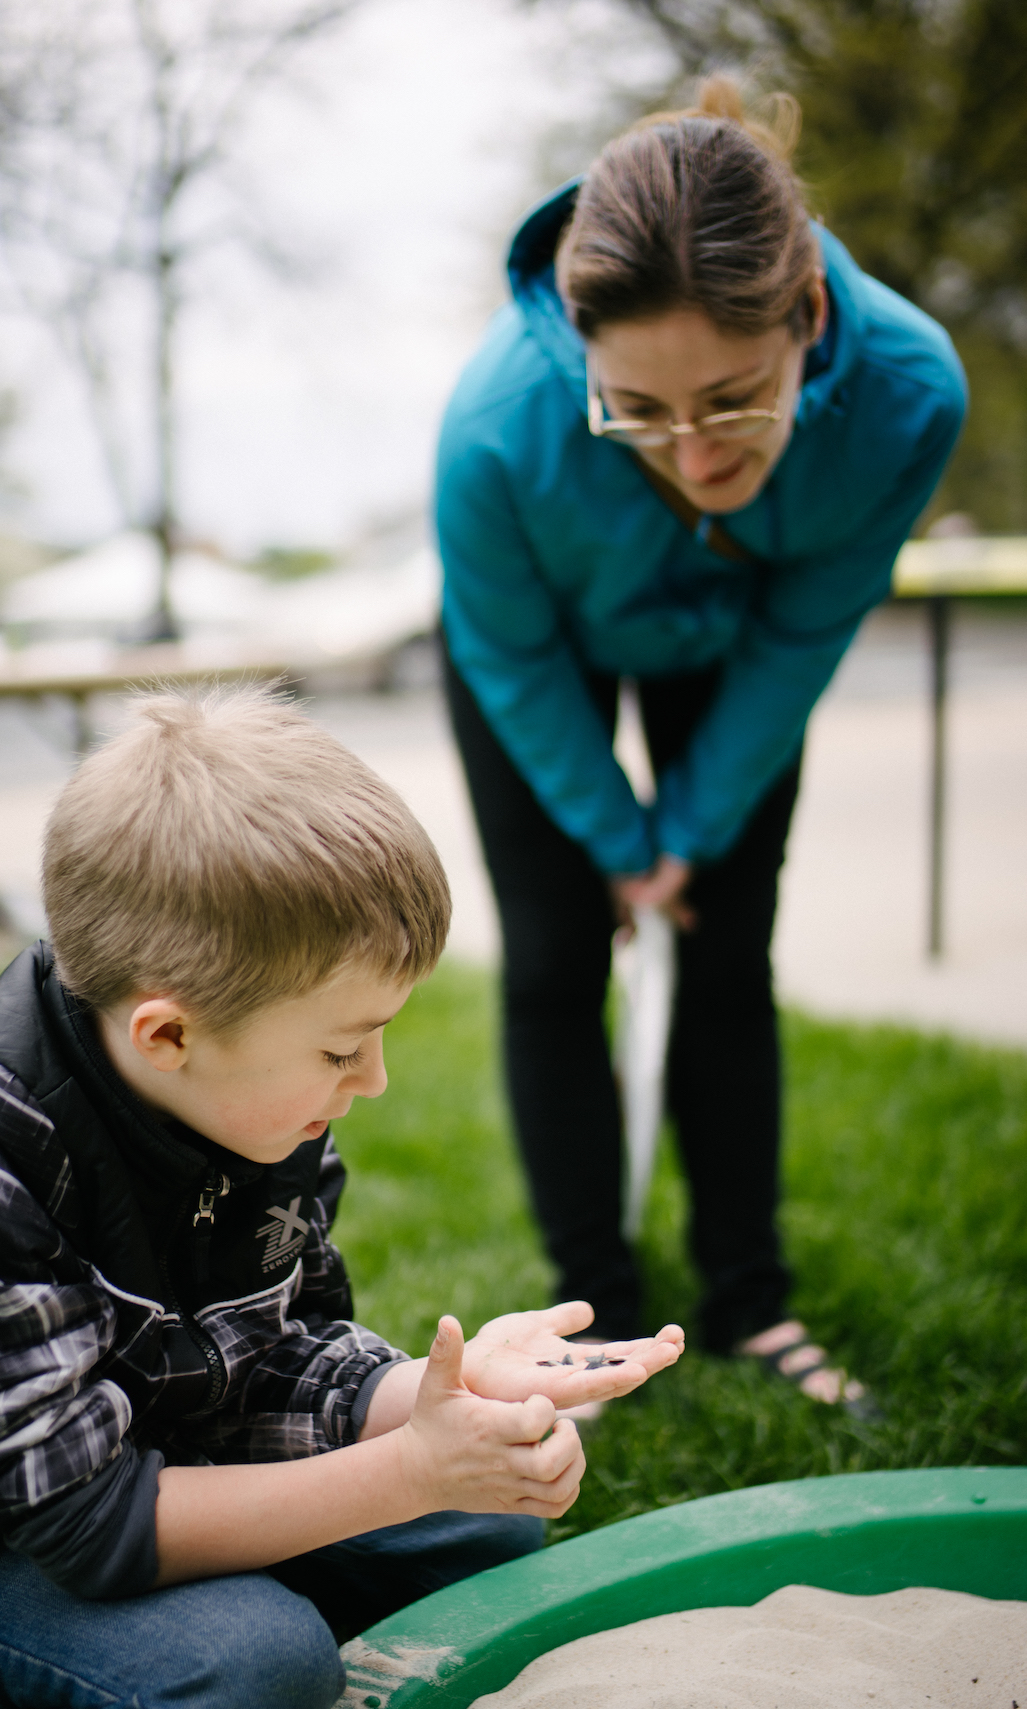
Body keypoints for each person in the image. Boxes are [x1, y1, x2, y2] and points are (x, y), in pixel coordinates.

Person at [0, 687, 684, 1709]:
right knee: (259, 1658)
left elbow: (277, 1354)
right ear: (166, 1034)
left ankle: (237, 1592)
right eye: (342, 1046)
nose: (375, 1079)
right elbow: (87, 1527)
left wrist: (442, 1397)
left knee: (486, 1521)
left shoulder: (255, 1100)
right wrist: (410, 1473)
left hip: (171, 1457)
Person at [437, 79, 966, 1402]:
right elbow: (502, 650)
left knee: (724, 950)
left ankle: (746, 1301)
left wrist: (684, 839)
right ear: (578, 342)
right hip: (537, 658)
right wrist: (615, 842)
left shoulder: (908, 394)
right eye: (638, 410)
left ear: (805, 317)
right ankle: (593, 1310)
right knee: (555, 960)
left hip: (736, 644)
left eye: (732, 400)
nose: (689, 451)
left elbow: (804, 628)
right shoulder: (494, 432)